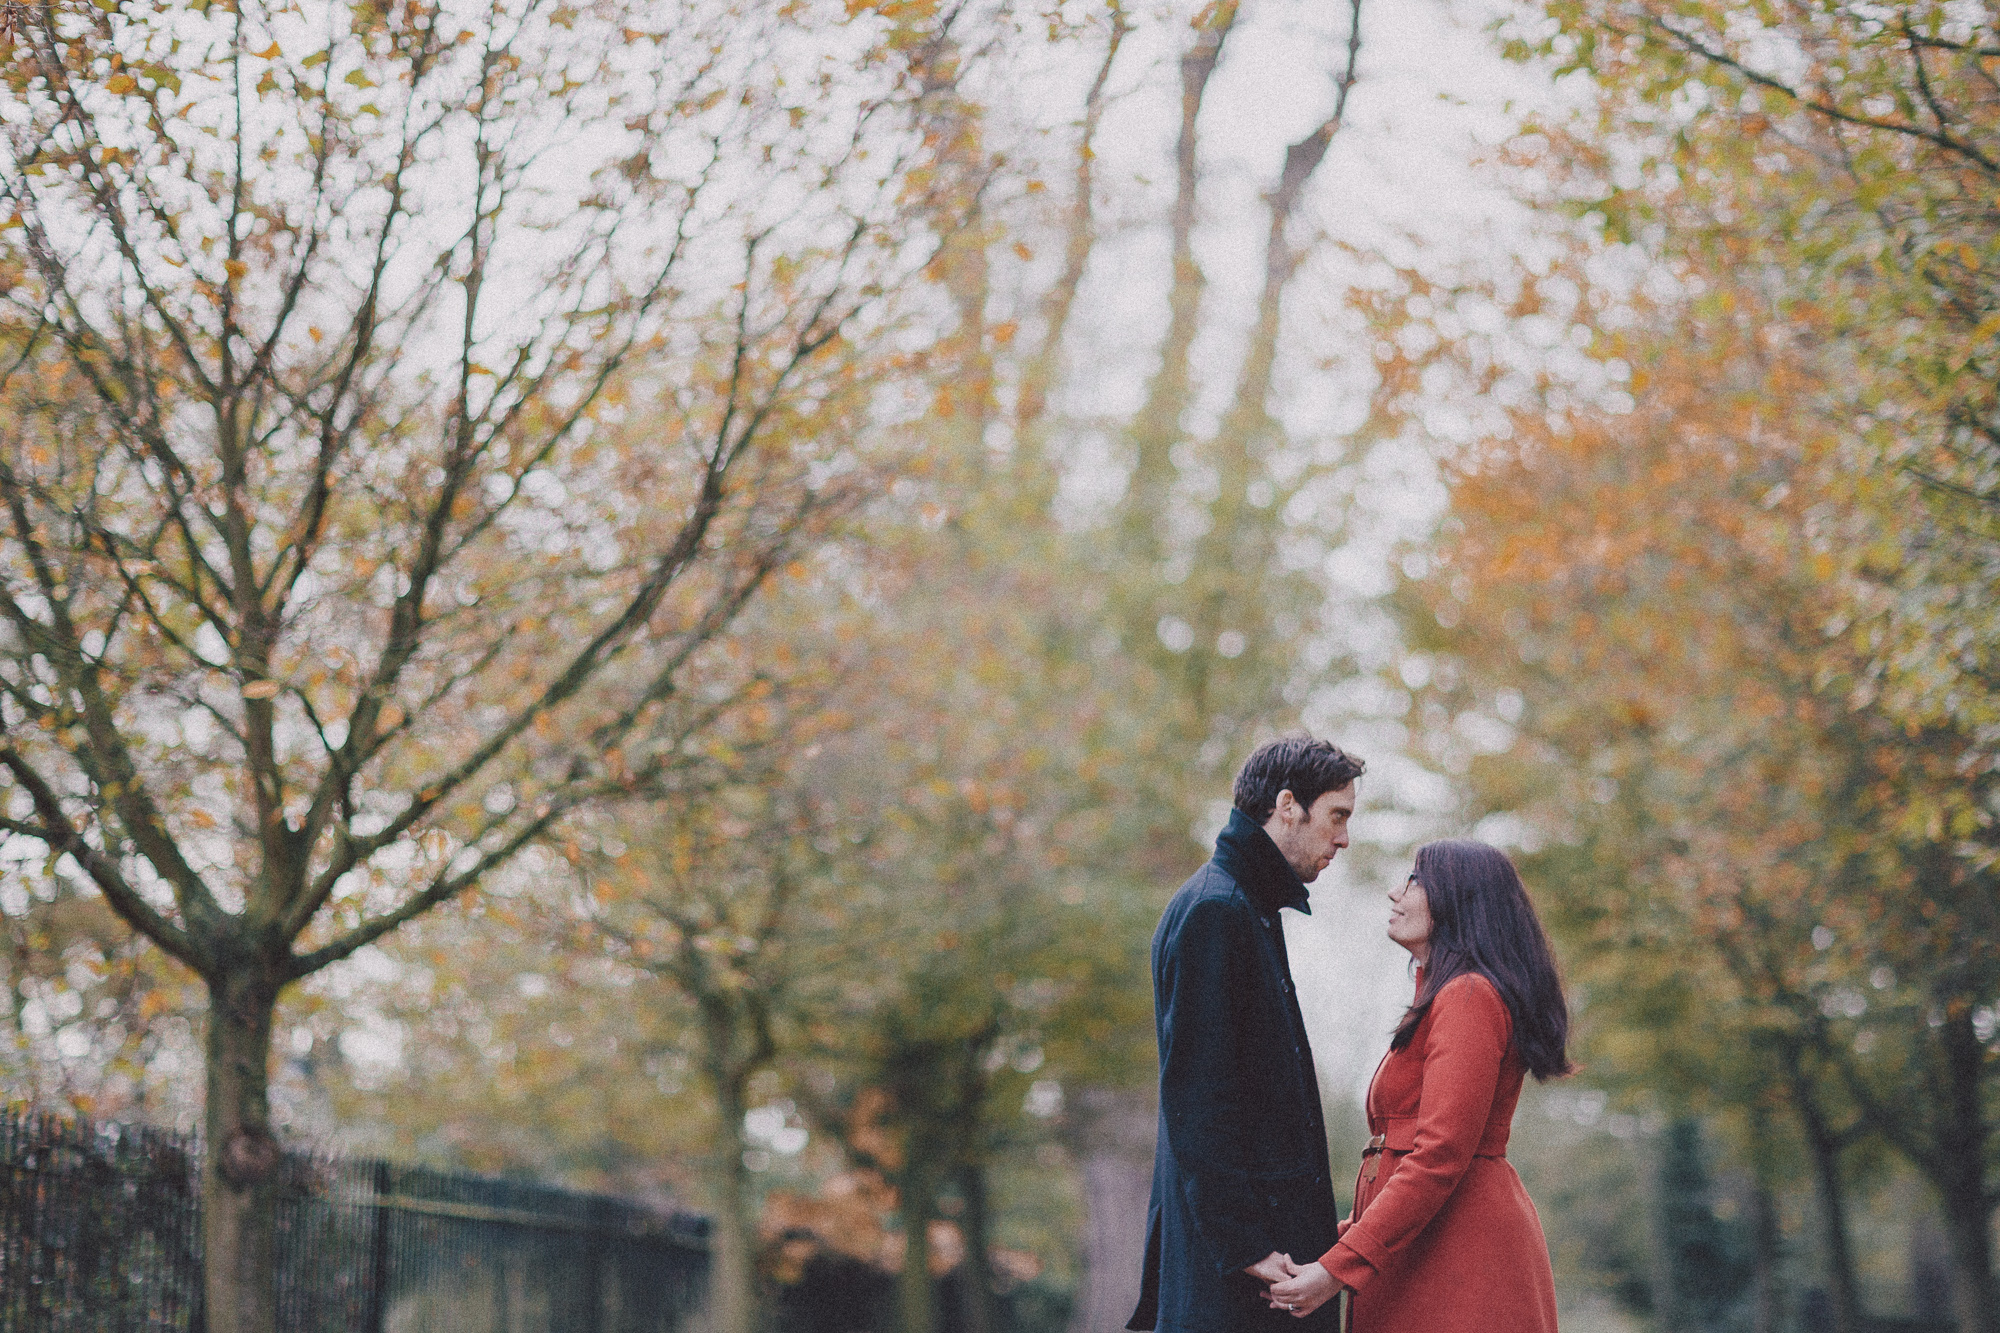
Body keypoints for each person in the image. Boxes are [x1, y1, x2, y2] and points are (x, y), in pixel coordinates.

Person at [1266, 839, 1570, 1332]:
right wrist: (1333, 1251)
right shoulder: (1448, 995)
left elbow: (1438, 1155)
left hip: (1459, 1256)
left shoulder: (1469, 996)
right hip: (1424, 1247)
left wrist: (1336, 1269)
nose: (1394, 893)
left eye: (1414, 880)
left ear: (1458, 899)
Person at [1127, 735, 1367, 1333]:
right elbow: (1198, 1099)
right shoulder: (1218, 911)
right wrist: (1246, 1245)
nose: (1343, 838)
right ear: (1288, 805)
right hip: (1242, 1281)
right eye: (1337, 816)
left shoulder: (1244, 905)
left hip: (1257, 1266)